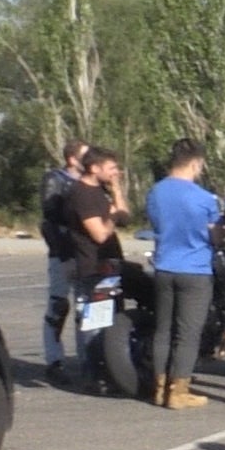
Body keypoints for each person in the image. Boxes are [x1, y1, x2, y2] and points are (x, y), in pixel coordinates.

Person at [145, 138, 221, 410]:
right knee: (188, 332)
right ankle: (179, 391)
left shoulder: (155, 193)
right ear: (195, 163)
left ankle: (159, 386)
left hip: (165, 267)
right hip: (195, 270)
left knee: (163, 328)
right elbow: (215, 235)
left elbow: (156, 224)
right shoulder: (204, 198)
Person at [64, 147, 130, 392]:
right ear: (94, 168)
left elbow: (124, 217)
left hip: (111, 265)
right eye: (111, 168)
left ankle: (113, 370)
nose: (116, 172)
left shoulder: (100, 191)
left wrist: (116, 192)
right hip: (92, 268)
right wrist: (112, 215)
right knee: (93, 324)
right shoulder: (81, 194)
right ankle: (92, 375)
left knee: (113, 320)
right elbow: (100, 234)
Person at [39, 139, 86, 384]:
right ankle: (54, 360)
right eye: (84, 157)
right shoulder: (55, 180)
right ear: (72, 159)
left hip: (85, 253)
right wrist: (63, 255)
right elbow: (49, 223)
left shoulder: (89, 182)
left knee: (85, 307)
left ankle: (87, 358)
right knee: (58, 305)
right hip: (63, 252)